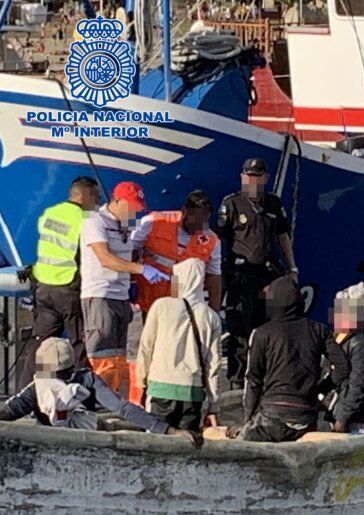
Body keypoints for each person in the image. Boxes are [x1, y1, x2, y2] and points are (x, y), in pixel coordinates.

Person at [0, 338, 201, 447]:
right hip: (86, 441)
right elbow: (122, 408)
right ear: (71, 365)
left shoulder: (37, 388)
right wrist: (170, 431)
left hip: (50, 444)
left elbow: (9, 412)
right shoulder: (87, 379)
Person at [227, 276, 349, 442]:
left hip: (273, 414)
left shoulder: (262, 333)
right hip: (307, 415)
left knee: (241, 448)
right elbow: (343, 367)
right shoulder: (319, 330)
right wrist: (320, 389)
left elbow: (253, 381)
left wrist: (247, 421)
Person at [215, 157, 297, 388]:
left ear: (265, 178)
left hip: (268, 274)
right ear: (242, 177)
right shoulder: (232, 204)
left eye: (256, 177)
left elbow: (282, 237)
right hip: (241, 275)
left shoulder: (273, 203)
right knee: (239, 329)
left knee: (269, 328)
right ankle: (237, 379)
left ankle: (265, 375)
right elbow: (219, 238)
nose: (251, 181)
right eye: (248, 176)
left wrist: (292, 268)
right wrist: (221, 270)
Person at [80, 182, 168, 393]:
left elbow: (133, 249)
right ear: (116, 201)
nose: (135, 212)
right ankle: (97, 400)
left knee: (120, 355)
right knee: (102, 354)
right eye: (131, 206)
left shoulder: (126, 223)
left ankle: (115, 397)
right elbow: (105, 259)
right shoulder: (94, 221)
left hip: (121, 296)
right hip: (101, 294)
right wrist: (140, 269)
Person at [19, 176, 100, 389]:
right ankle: (82, 394)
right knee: (79, 344)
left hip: (44, 287)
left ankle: (25, 393)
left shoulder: (49, 213)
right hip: (68, 288)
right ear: (84, 196)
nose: (98, 201)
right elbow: (91, 255)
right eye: (95, 196)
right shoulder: (85, 220)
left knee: (41, 344)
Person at [135, 259, 222, 431]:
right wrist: (213, 406)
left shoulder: (161, 306)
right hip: (193, 393)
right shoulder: (211, 317)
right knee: (186, 448)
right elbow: (214, 365)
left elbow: (146, 348)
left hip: (160, 388)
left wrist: (142, 382)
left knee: (155, 445)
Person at [131, 190, 222, 315]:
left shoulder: (212, 241)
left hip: (184, 304)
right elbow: (131, 252)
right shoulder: (154, 222)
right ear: (184, 211)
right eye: (195, 221)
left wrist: (214, 312)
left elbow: (214, 277)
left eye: (203, 223)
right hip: (152, 299)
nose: (198, 227)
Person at [322, 283, 364, 433]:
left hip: (351, 419)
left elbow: (358, 383)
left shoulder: (361, 343)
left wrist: (343, 418)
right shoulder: (337, 336)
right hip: (332, 410)